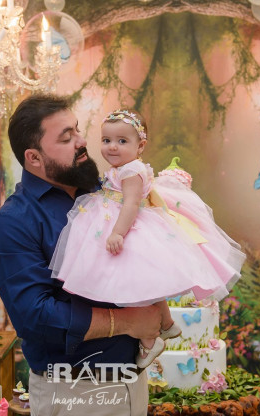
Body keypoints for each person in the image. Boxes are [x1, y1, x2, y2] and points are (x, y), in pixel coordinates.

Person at [0, 95, 163, 416]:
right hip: (73, 390)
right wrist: (130, 321)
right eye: (66, 138)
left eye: (77, 130)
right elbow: (36, 316)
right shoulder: (14, 221)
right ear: (33, 157)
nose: (82, 142)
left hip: (132, 383)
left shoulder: (102, 193)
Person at [49, 109, 246, 369]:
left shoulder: (131, 170)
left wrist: (118, 233)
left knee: (137, 287)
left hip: (129, 226)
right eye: (107, 140)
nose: (112, 147)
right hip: (117, 218)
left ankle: (150, 340)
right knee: (148, 284)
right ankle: (167, 324)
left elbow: (131, 203)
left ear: (140, 146)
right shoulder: (123, 168)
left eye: (122, 141)